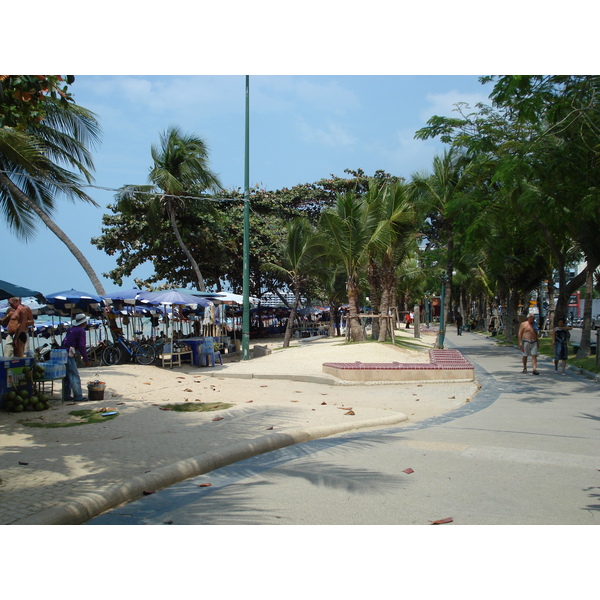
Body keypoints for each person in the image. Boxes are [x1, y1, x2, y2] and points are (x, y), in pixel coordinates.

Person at [60, 313, 90, 402]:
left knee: (66, 376)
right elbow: (81, 346)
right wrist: (86, 359)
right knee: (74, 375)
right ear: (83, 322)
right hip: (69, 353)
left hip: (63, 352)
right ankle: (78, 396)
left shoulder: (71, 329)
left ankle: (66, 395)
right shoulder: (81, 331)